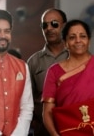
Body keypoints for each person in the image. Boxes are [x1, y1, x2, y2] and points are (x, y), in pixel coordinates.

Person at [27, 8, 69, 136]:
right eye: (44, 25)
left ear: (64, 26)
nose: (49, 28)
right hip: (43, 129)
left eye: (54, 24)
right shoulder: (33, 62)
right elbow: (27, 99)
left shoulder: (77, 56)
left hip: (73, 126)